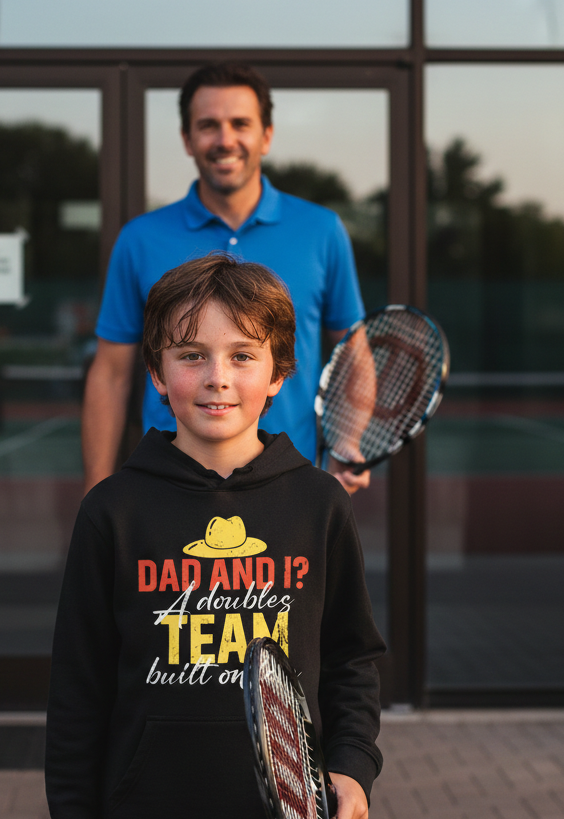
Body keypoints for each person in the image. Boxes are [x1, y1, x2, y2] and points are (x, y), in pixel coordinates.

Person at [45, 254, 384, 819]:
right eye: (191, 355)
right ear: (156, 373)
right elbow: (76, 694)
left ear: (280, 371)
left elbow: (354, 660)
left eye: (242, 356)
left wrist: (351, 767)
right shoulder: (113, 512)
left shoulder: (318, 505)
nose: (217, 379)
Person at [83, 62, 371, 496]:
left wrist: (348, 443)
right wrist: (97, 488)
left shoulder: (322, 230)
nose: (225, 140)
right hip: (167, 486)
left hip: (290, 484)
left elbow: (355, 353)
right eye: (208, 126)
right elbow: (111, 374)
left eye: (240, 124)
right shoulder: (139, 239)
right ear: (187, 139)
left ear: (266, 135)